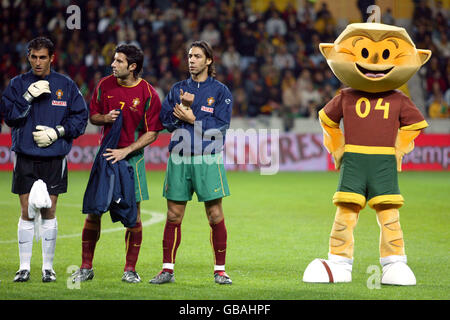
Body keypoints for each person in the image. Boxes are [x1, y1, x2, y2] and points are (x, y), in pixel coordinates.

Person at [71, 44, 163, 283]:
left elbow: (153, 132)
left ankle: (130, 269)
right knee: (94, 212)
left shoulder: (148, 93)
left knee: (134, 217)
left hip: (132, 160)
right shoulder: (104, 85)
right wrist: (105, 118)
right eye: (114, 60)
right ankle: (86, 267)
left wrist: (127, 151)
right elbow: (93, 116)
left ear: (132, 67)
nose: (113, 64)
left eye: (119, 61)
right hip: (105, 158)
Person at [0, 37, 88, 282]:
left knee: (49, 210)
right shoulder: (18, 84)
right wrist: (27, 97)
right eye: (33, 57)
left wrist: (57, 133)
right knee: (26, 210)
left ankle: (48, 268)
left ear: (52, 58)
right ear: (28, 56)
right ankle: (24, 267)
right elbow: (9, 118)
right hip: (25, 156)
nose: (38, 62)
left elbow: (80, 119)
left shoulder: (66, 85)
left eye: (42, 57)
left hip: (54, 156)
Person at [151, 40, 233, 285]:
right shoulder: (177, 89)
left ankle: (220, 270)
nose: (191, 60)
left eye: (197, 56)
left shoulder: (220, 92)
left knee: (215, 215)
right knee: (173, 215)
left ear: (208, 60)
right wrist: (182, 112)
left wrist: (193, 118)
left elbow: (220, 127)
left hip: (207, 158)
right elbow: (164, 121)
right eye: (189, 56)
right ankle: (167, 270)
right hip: (179, 157)